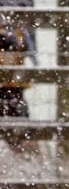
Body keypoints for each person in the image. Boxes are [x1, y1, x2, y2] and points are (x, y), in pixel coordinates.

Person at [0, 24, 38, 156]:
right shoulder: (19, 34)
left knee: (19, 123)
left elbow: (29, 53)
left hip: (14, 87)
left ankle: (20, 149)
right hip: (13, 88)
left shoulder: (20, 34)